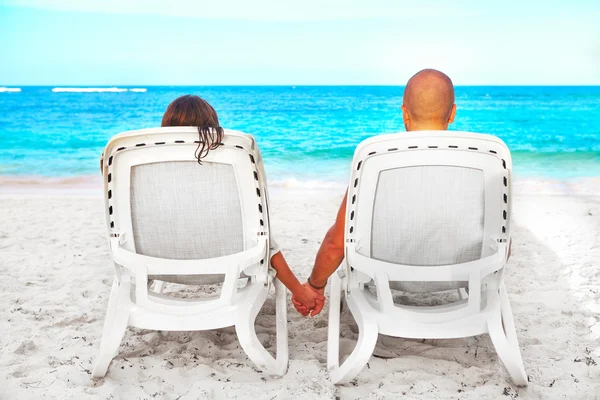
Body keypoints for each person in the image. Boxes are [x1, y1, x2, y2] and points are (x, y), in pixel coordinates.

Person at [292, 69, 458, 316]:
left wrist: (315, 285)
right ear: (453, 113)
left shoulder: (377, 162)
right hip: (460, 275)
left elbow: (337, 242)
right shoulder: (481, 162)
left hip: (384, 274)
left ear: (404, 113)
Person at [162, 95, 325, 314]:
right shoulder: (238, 155)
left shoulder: (153, 178)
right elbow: (262, 235)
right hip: (231, 263)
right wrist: (300, 291)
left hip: (160, 263)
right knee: (257, 230)